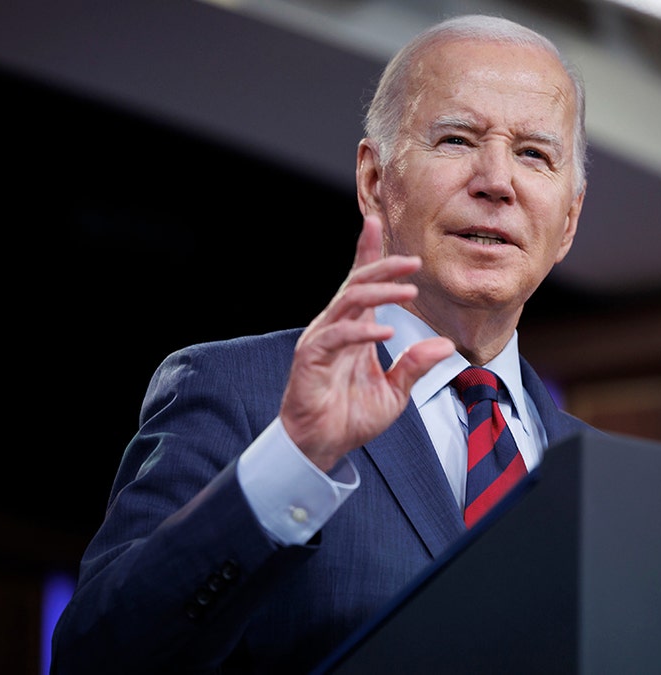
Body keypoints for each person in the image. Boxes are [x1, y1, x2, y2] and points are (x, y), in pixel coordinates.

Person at [51, 13, 599, 674]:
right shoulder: (239, 392)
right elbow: (97, 657)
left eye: (534, 153)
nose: (497, 181)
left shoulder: (597, 473)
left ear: (567, 221)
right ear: (374, 181)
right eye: (457, 139)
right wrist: (297, 456)